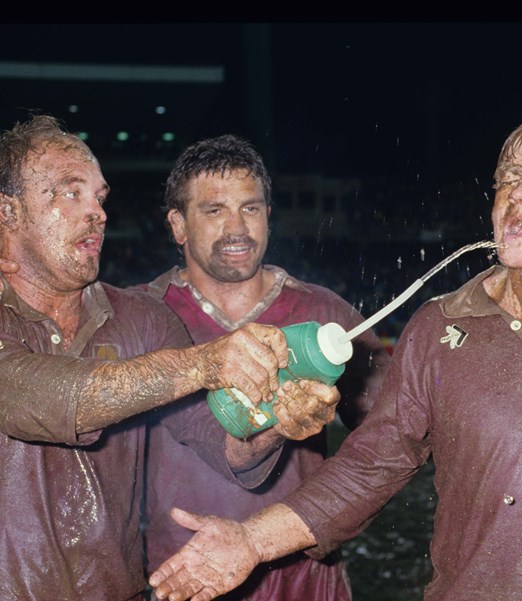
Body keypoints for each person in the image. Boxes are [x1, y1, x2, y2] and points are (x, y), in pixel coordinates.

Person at [149, 109, 522, 601]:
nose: (516, 197)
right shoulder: (440, 328)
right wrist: (250, 540)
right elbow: (370, 465)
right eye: (508, 179)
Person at [0, 114, 341, 601]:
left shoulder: (142, 319)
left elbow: (223, 440)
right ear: (8, 213)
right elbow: (45, 396)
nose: (96, 212)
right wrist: (204, 362)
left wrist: (275, 423)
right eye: (70, 193)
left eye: (99, 197)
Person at [141, 134, 390, 600]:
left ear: (269, 217)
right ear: (178, 225)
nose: (237, 228)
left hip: (304, 581)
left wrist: (323, 526)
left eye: (251, 209)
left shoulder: (326, 314)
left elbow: (388, 447)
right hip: (179, 576)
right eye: (214, 211)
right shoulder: (141, 318)